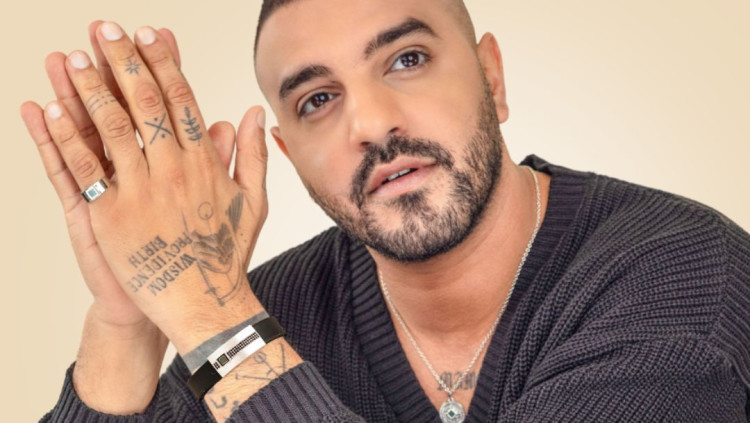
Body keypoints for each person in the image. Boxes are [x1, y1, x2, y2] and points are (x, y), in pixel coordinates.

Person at [20, 0, 749, 422]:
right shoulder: (260, 312)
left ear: (491, 78)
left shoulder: (683, 273)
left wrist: (212, 317)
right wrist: (129, 317)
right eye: (318, 99)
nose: (369, 123)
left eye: (407, 59)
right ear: (290, 153)